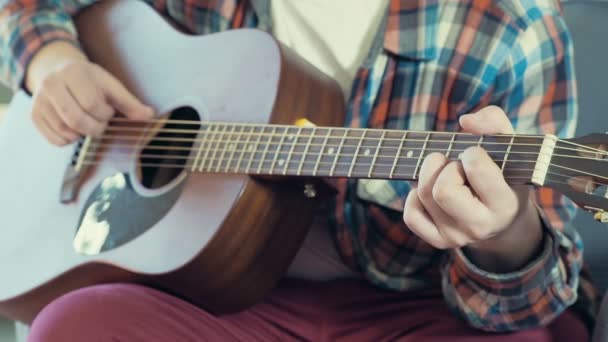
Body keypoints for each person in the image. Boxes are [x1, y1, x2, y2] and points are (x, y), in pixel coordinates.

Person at [0, 0, 598, 340]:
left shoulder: (513, 26)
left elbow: (535, 295)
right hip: (215, 298)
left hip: (413, 311)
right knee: (72, 328)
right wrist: (51, 62)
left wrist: (503, 233)